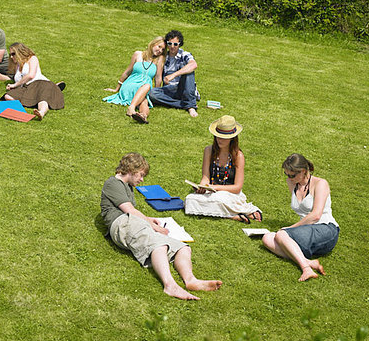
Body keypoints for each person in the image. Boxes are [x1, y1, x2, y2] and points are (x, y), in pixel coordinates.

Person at [100, 153, 222, 300]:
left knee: (182, 248)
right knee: (160, 245)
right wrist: (153, 226)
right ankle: (170, 285)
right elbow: (129, 211)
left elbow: (132, 212)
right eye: (141, 175)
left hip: (131, 221)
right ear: (132, 170)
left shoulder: (127, 186)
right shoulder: (113, 183)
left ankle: (191, 280)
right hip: (121, 224)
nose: (142, 179)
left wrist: (149, 220)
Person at [262, 154, 339, 282]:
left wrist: (290, 229)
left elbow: (316, 215)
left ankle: (306, 268)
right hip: (307, 230)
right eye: (287, 174)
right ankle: (309, 262)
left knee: (281, 235)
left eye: (292, 175)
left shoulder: (320, 184)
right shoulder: (292, 183)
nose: (289, 178)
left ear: (303, 171)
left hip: (326, 229)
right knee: (267, 238)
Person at [184, 115, 262, 223]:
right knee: (190, 200)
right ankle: (231, 215)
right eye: (217, 136)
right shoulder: (208, 150)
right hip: (211, 192)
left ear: (232, 138)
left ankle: (231, 214)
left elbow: (237, 187)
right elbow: (205, 177)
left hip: (229, 193)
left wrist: (214, 187)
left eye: (223, 138)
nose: (219, 140)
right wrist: (202, 187)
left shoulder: (238, 156)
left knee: (220, 200)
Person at [103, 37, 165, 124]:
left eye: (163, 49)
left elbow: (158, 78)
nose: (160, 50)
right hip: (130, 85)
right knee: (147, 87)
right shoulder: (138, 54)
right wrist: (117, 89)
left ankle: (143, 116)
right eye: (159, 47)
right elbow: (127, 72)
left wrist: (156, 95)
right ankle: (131, 108)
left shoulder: (159, 59)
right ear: (153, 44)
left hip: (143, 90)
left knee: (144, 101)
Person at [3, 42, 64, 120]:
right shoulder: (17, 66)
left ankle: (41, 112)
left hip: (39, 83)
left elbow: (31, 75)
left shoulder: (32, 58)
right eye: (10, 54)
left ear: (20, 52)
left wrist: (14, 85)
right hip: (26, 88)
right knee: (7, 96)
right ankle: (50, 92)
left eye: (13, 54)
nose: (11, 57)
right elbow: (19, 80)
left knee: (43, 99)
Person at [147, 30, 200, 117]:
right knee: (151, 93)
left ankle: (191, 106)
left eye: (175, 44)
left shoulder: (184, 54)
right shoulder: (163, 57)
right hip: (169, 89)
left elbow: (194, 65)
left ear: (180, 44)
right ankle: (184, 104)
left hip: (183, 87)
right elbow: (158, 77)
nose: (172, 46)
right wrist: (157, 91)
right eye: (169, 43)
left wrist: (174, 75)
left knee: (188, 69)